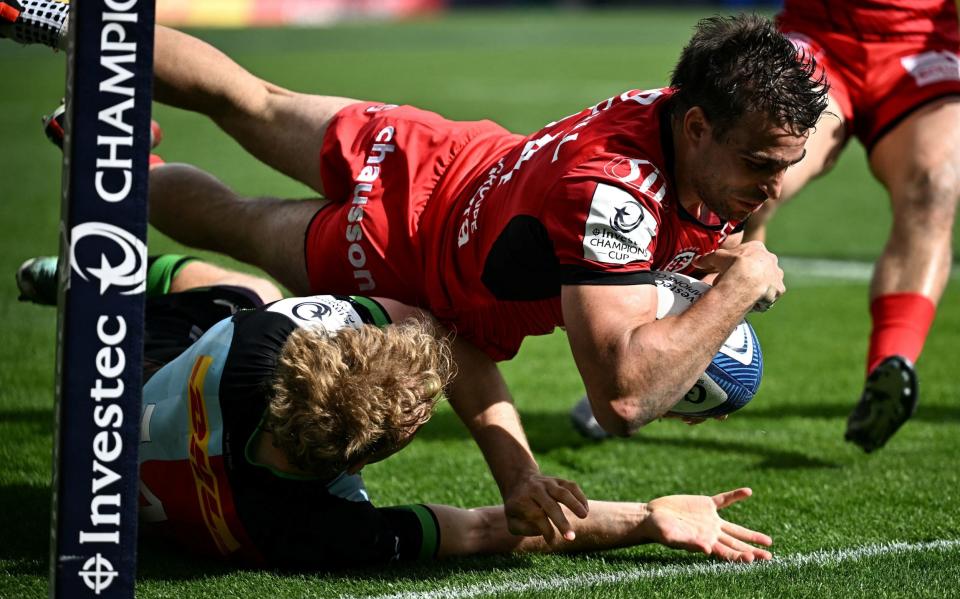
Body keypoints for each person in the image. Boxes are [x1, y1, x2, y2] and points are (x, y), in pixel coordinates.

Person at [1, 6, 826, 541]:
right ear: (696, 127)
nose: (773, 189)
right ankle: (106, 154)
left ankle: (78, 36)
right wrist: (739, 285)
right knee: (243, 224)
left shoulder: (676, 106)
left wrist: (707, 252)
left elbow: (640, 226)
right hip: (401, 258)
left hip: (435, 152)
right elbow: (625, 394)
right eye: (760, 164)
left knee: (252, 98)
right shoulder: (613, 195)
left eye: (784, 165)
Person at [17, 253, 774, 567]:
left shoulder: (268, 343)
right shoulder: (314, 527)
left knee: (243, 295)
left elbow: (401, 314)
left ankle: (103, 270)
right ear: (359, 459)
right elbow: (486, 527)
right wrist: (646, 517)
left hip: (113, 379)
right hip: (106, 489)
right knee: (247, 290)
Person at [741, 0, 960, 452]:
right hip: (820, 36)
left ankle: (891, 370)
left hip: (922, 43)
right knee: (752, 175)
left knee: (934, 186)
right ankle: (672, 351)